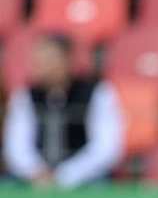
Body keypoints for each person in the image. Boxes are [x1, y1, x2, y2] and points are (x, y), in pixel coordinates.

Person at [2, 34, 123, 188]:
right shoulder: (25, 96)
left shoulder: (98, 92)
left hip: (84, 179)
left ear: (67, 60)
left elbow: (106, 148)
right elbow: (16, 145)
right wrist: (36, 172)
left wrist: (66, 175)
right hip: (34, 179)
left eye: (49, 60)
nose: (41, 65)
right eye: (38, 60)